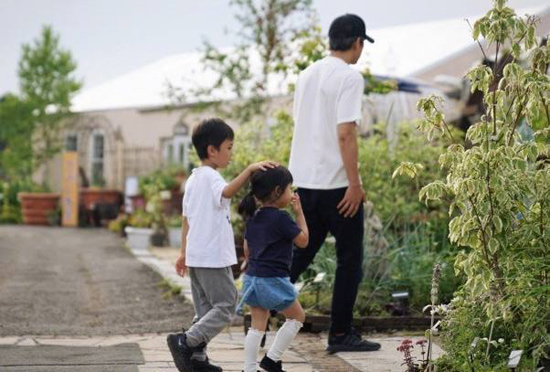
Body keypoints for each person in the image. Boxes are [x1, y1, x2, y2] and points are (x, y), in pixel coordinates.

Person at [288, 14, 381, 353]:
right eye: (361, 45)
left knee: (299, 255)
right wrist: (354, 184)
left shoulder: (306, 75)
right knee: (349, 260)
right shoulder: (349, 78)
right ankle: (341, 334)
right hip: (337, 188)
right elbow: (345, 133)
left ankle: (258, 307)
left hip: (303, 182)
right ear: (357, 42)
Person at [167, 117, 276, 372]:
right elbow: (227, 192)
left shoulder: (193, 180)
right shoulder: (211, 177)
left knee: (205, 311)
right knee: (227, 305)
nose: (231, 153)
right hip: (212, 256)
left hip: (197, 256)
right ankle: (186, 342)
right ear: (212, 150)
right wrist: (250, 171)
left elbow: (186, 219)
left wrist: (184, 253)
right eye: (229, 147)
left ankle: (197, 360)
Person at [237, 166, 309, 372]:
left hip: (252, 279)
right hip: (273, 279)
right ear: (277, 191)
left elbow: (247, 250)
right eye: (289, 189)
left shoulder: (253, 217)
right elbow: (303, 241)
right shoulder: (281, 218)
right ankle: (271, 360)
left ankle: (249, 368)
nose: (291, 193)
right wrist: (299, 213)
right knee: (297, 317)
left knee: (257, 324)